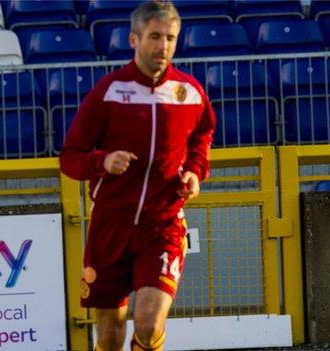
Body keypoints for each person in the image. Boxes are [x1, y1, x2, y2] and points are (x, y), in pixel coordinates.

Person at [59, 2, 215, 350]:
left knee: (148, 322)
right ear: (134, 39)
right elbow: (70, 158)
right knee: (111, 334)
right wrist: (102, 161)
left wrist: (194, 171)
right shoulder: (109, 91)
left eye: (170, 38)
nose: (163, 46)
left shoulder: (190, 93)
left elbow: (202, 139)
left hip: (164, 225)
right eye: (155, 36)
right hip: (110, 225)